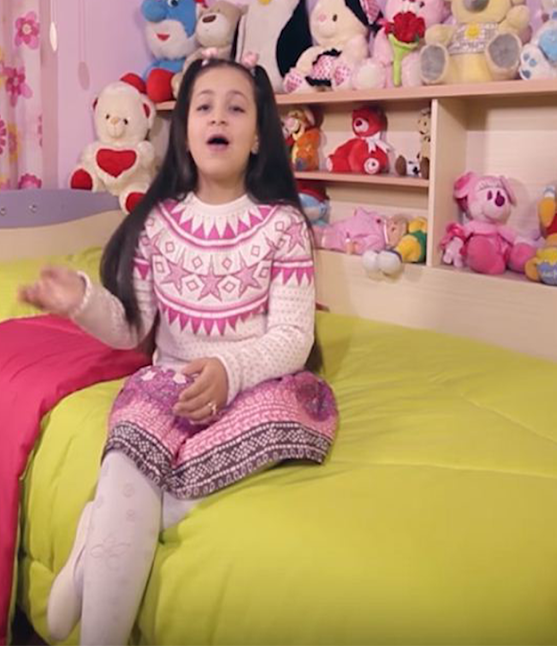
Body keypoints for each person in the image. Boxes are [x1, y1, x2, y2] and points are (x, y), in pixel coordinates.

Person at [19, 58, 339, 646]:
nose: (219, 117)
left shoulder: (284, 225)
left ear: (258, 136)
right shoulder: (158, 224)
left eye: (236, 107)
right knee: (133, 447)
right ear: (185, 132)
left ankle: (101, 529)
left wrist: (229, 369)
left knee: (286, 418)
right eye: (204, 106)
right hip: (170, 386)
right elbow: (130, 329)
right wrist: (82, 300)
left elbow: (293, 337)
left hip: (256, 384)